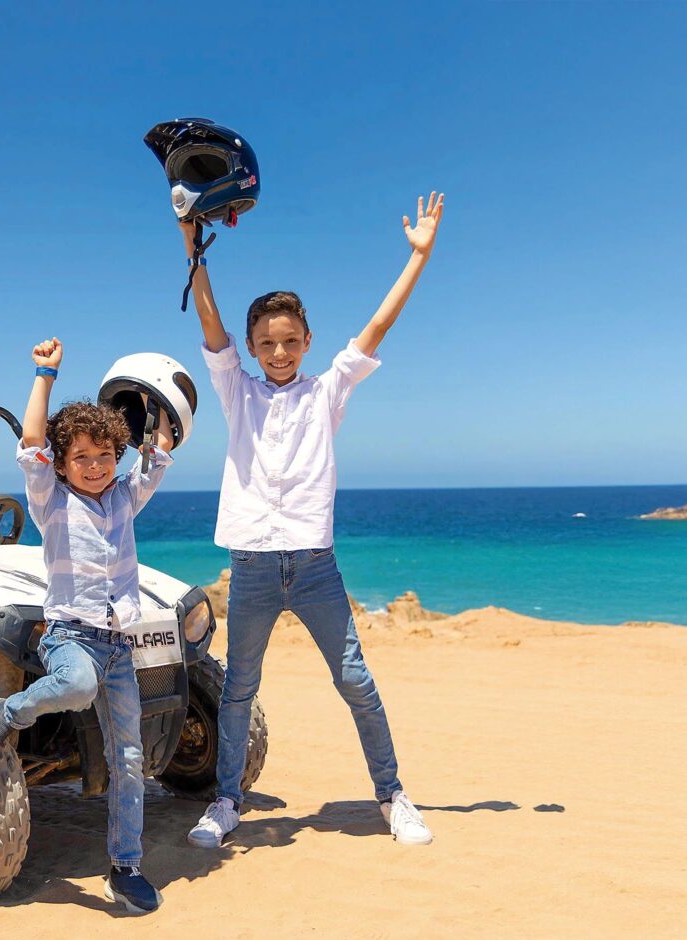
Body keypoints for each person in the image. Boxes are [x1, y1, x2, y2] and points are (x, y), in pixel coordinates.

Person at [178, 193, 445, 849]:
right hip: (252, 568)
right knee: (238, 689)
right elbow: (208, 319)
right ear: (251, 346)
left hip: (316, 568)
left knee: (355, 680)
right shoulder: (235, 389)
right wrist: (192, 244)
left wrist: (419, 256)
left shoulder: (328, 391)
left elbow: (377, 327)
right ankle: (226, 801)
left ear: (308, 342)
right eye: (266, 342)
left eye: (290, 340)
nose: (278, 351)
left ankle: (392, 796)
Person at [0, 337, 173, 914]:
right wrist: (44, 374)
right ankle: (3, 715)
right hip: (69, 637)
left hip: (118, 647)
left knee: (130, 759)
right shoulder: (50, 501)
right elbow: (31, 440)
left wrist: (157, 408)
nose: (95, 466)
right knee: (76, 686)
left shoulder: (126, 498)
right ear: (61, 465)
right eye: (80, 457)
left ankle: (125, 866)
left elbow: (156, 451)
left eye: (105, 455)